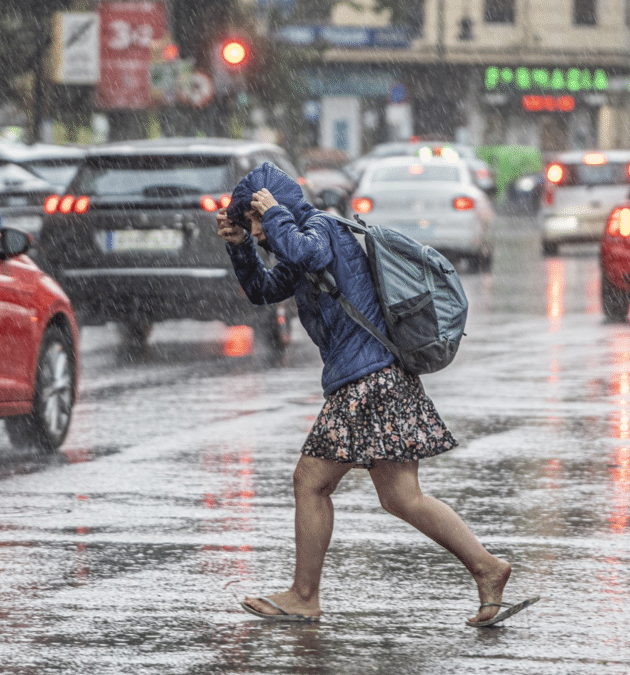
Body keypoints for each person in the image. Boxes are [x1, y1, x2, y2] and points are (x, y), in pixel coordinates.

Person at [216, 162, 525, 627]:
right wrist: (240, 246)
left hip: (369, 380)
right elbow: (263, 289)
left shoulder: (320, 228)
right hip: (377, 377)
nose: (258, 230)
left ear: (272, 204)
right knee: (402, 497)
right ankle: (487, 568)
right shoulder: (293, 239)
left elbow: (308, 257)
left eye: (254, 219)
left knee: (311, 482)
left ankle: (304, 594)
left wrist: (274, 215)